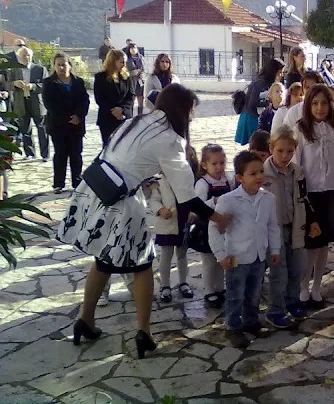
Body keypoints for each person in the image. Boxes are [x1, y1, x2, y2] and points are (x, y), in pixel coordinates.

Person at [60, 84, 233, 358]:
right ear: (183, 110)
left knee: (103, 260)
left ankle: (86, 319)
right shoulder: (170, 140)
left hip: (95, 190)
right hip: (122, 202)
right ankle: (144, 332)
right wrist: (218, 218)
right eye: (192, 111)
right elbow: (187, 197)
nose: (192, 117)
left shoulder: (135, 122)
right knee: (142, 266)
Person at [210, 150, 281, 348]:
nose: (259, 177)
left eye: (261, 172)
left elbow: (272, 225)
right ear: (240, 177)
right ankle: (233, 326)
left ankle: (251, 321)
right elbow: (214, 228)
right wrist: (220, 255)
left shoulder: (268, 198)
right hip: (236, 257)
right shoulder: (228, 200)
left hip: (258, 255)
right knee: (235, 293)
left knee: (254, 292)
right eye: (253, 173)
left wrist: (275, 249)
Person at [293, 85, 334, 308]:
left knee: (323, 243)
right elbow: (296, 166)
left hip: (330, 193)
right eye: (315, 103)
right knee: (310, 244)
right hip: (310, 196)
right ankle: (303, 287)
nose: (320, 108)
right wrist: (298, 195)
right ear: (308, 105)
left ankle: (317, 286)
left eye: (324, 103)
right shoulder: (301, 129)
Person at [263, 126, 320, 327]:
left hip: (296, 228)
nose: (285, 156)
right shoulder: (263, 175)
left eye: (289, 151)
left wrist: (312, 221)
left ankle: (292, 301)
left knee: (298, 269)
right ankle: (275, 310)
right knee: (279, 273)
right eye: (280, 151)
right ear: (271, 148)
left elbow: (304, 198)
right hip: (273, 232)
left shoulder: (298, 172)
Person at [149, 146, 200, 303]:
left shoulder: (190, 180)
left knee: (182, 255)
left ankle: (183, 282)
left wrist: (193, 213)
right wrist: (160, 210)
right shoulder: (159, 181)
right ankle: (165, 285)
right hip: (167, 225)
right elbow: (154, 200)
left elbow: (194, 198)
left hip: (184, 222)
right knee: (166, 256)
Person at [42, 52, 90, 193]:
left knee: (76, 154)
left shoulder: (78, 82)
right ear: (54, 66)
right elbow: (49, 103)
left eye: (64, 64)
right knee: (60, 154)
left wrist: (78, 116)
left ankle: (77, 181)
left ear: (70, 65)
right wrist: (68, 118)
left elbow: (85, 101)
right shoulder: (49, 83)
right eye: (59, 65)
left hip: (77, 125)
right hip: (58, 125)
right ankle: (58, 183)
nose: (62, 67)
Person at [194, 144, 236, 307]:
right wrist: (214, 201)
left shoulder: (228, 180)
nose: (219, 167)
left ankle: (220, 287)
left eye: (222, 163)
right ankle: (209, 290)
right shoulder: (203, 184)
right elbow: (198, 207)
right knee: (209, 262)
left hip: (225, 227)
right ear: (205, 165)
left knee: (222, 259)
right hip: (206, 228)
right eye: (214, 164)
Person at [11, 46, 49, 161]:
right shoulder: (14, 71)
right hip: (21, 103)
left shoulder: (40, 69)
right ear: (19, 57)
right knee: (25, 130)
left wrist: (32, 86)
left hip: (37, 103)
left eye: (28, 55)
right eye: (24, 55)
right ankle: (29, 153)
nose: (27, 57)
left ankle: (45, 155)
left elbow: (46, 85)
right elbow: (5, 84)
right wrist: (14, 84)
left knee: (42, 129)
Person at [235, 58, 285, 145]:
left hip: (254, 115)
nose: (281, 75)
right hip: (252, 117)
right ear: (273, 71)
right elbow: (253, 103)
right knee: (256, 145)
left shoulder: (266, 81)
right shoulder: (261, 82)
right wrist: (269, 103)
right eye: (280, 72)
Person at [94, 50, 135, 145]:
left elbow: (131, 96)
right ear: (112, 62)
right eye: (121, 62)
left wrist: (122, 109)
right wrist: (114, 111)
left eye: (125, 62)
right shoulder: (100, 77)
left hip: (124, 117)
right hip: (108, 119)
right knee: (109, 146)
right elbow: (100, 98)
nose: (124, 65)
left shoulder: (126, 77)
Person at [126, 43, 146, 116]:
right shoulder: (126, 58)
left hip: (140, 81)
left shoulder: (141, 57)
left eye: (134, 48)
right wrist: (131, 73)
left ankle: (139, 116)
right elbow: (124, 71)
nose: (133, 50)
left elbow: (144, 69)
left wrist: (142, 74)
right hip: (131, 81)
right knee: (131, 100)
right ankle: (130, 116)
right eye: (131, 48)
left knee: (140, 100)